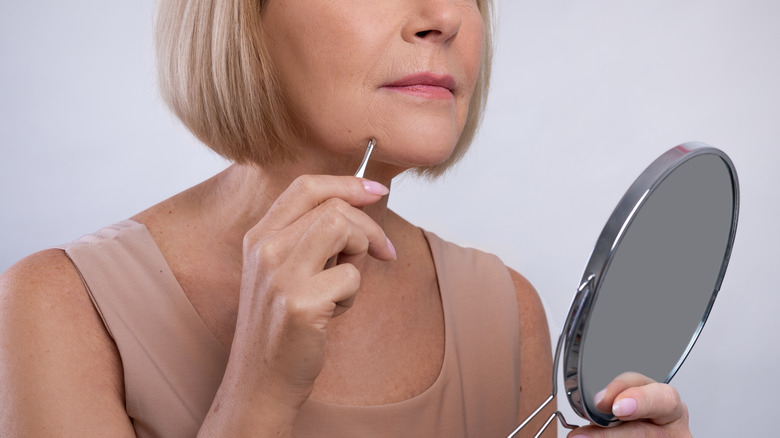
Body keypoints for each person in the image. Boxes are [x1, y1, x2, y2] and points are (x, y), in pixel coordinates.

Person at [0, 0, 691, 437]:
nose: (443, 16)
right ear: (243, 15)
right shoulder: (61, 308)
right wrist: (257, 390)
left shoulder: (506, 312)